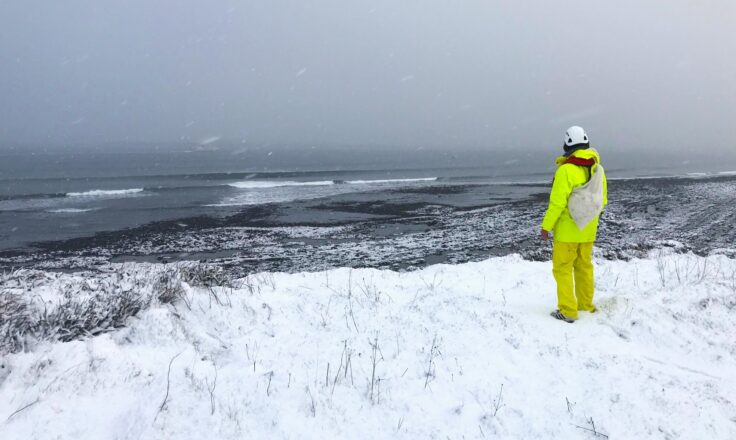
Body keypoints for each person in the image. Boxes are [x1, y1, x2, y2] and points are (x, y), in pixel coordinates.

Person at [540, 126, 608, 323]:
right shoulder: (598, 169)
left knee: (562, 268)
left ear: (567, 144)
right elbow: (602, 201)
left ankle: (568, 310)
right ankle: (586, 305)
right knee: (584, 267)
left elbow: (557, 203)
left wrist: (546, 226)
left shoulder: (565, 171)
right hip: (588, 230)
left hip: (567, 233)